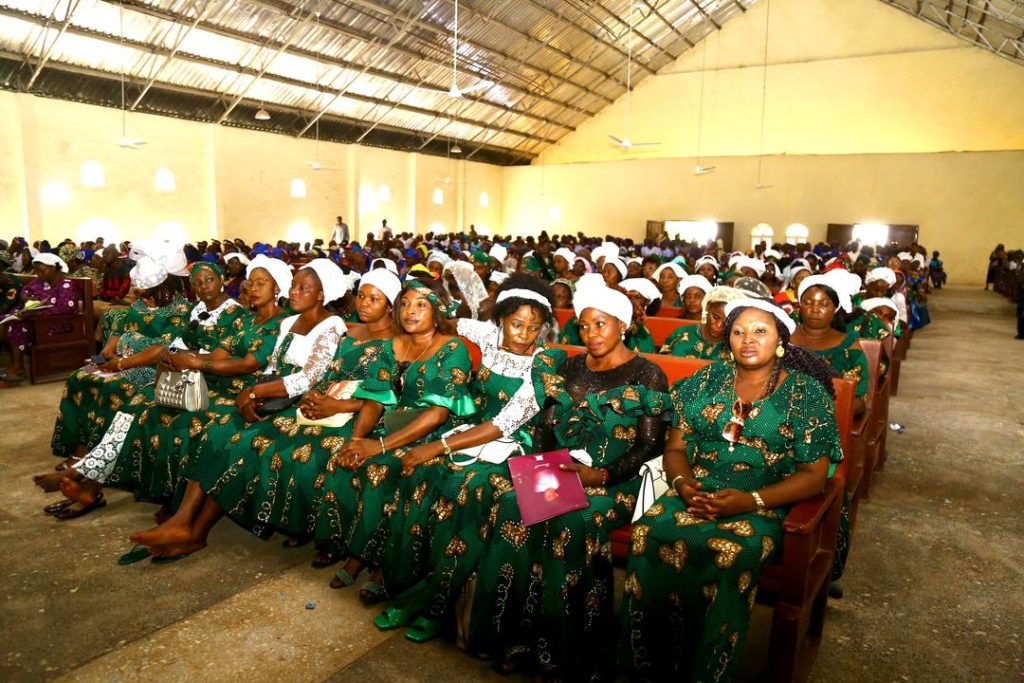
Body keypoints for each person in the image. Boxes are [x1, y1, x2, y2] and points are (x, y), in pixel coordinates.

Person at [620, 298, 842, 681]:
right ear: (728, 341)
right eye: (738, 332)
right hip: (698, 490)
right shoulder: (703, 383)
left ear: (779, 341)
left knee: (732, 550)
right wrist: (683, 486)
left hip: (767, 499)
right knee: (648, 532)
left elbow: (814, 476)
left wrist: (749, 501)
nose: (748, 340)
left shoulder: (807, 395)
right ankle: (646, 664)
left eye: (760, 331)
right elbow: (674, 449)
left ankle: (709, 669)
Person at [470, 284, 669, 680]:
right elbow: (545, 426)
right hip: (561, 470)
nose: (592, 333)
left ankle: (562, 650)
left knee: (571, 520)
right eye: (584, 326)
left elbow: (650, 445)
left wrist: (603, 474)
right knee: (513, 505)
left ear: (623, 326)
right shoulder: (569, 367)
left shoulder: (648, 373)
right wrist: (543, 466)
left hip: (616, 479)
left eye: (601, 324)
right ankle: (511, 637)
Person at [370, 275, 566, 643]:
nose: (524, 335)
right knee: (418, 478)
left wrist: (437, 447)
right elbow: (448, 321)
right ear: (502, 320)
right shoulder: (489, 335)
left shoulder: (545, 362)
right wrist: (429, 294)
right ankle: (400, 583)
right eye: (517, 324)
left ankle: (433, 604)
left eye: (534, 328)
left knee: (464, 489)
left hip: (513, 446)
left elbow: (505, 423)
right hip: (469, 435)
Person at [126, 259, 352, 560]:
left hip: (299, 401)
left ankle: (193, 531)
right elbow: (271, 366)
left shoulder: (331, 326)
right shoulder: (288, 323)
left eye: (303, 288)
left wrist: (254, 391)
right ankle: (184, 523)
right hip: (268, 393)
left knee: (238, 443)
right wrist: (250, 395)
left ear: (322, 295)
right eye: (294, 285)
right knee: (215, 433)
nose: (294, 292)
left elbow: (308, 378)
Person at [36, 257, 289, 523]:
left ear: (278, 288)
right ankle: (89, 480)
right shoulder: (247, 321)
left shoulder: (267, 320)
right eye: (252, 282)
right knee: (135, 407)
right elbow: (217, 353)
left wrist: (194, 361)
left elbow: (248, 363)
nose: (253, 288)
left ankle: (165, 497)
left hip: (233, 388)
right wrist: (181, 359)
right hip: (208, 377)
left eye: (262, 283)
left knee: (173, 420)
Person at [315, 278, 476, 604]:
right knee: (344, 458)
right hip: (394, 427)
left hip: (436, 437)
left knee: (383, 470)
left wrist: (380, 446)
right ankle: (359, 549)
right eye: (404, 303)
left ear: (437, 310)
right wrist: (357, 440)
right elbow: (376, 399)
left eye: (420, 305)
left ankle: (381, 565)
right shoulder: (393, 346)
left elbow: (438, 414)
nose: (409, 311)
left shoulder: (452, 348)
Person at [0, 253, 82, 382]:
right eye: (37, 271)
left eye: (42, 271)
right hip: (35, 318)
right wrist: (26, 299)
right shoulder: (40, 282)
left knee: (17, 325)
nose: (39, 274)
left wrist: (35, 313)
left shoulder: (66, 284)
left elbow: (64, 309)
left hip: (56, 323)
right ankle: (14, 363)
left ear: (53, 268)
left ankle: (18, 366)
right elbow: (25, 292)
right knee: (6, 318)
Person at [661, 285, 744, 360]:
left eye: (727, 322)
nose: (719, 325)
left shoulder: (732, 349)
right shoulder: (682, 333)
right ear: (708, 307)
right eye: (715, 317)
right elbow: (663, 362)